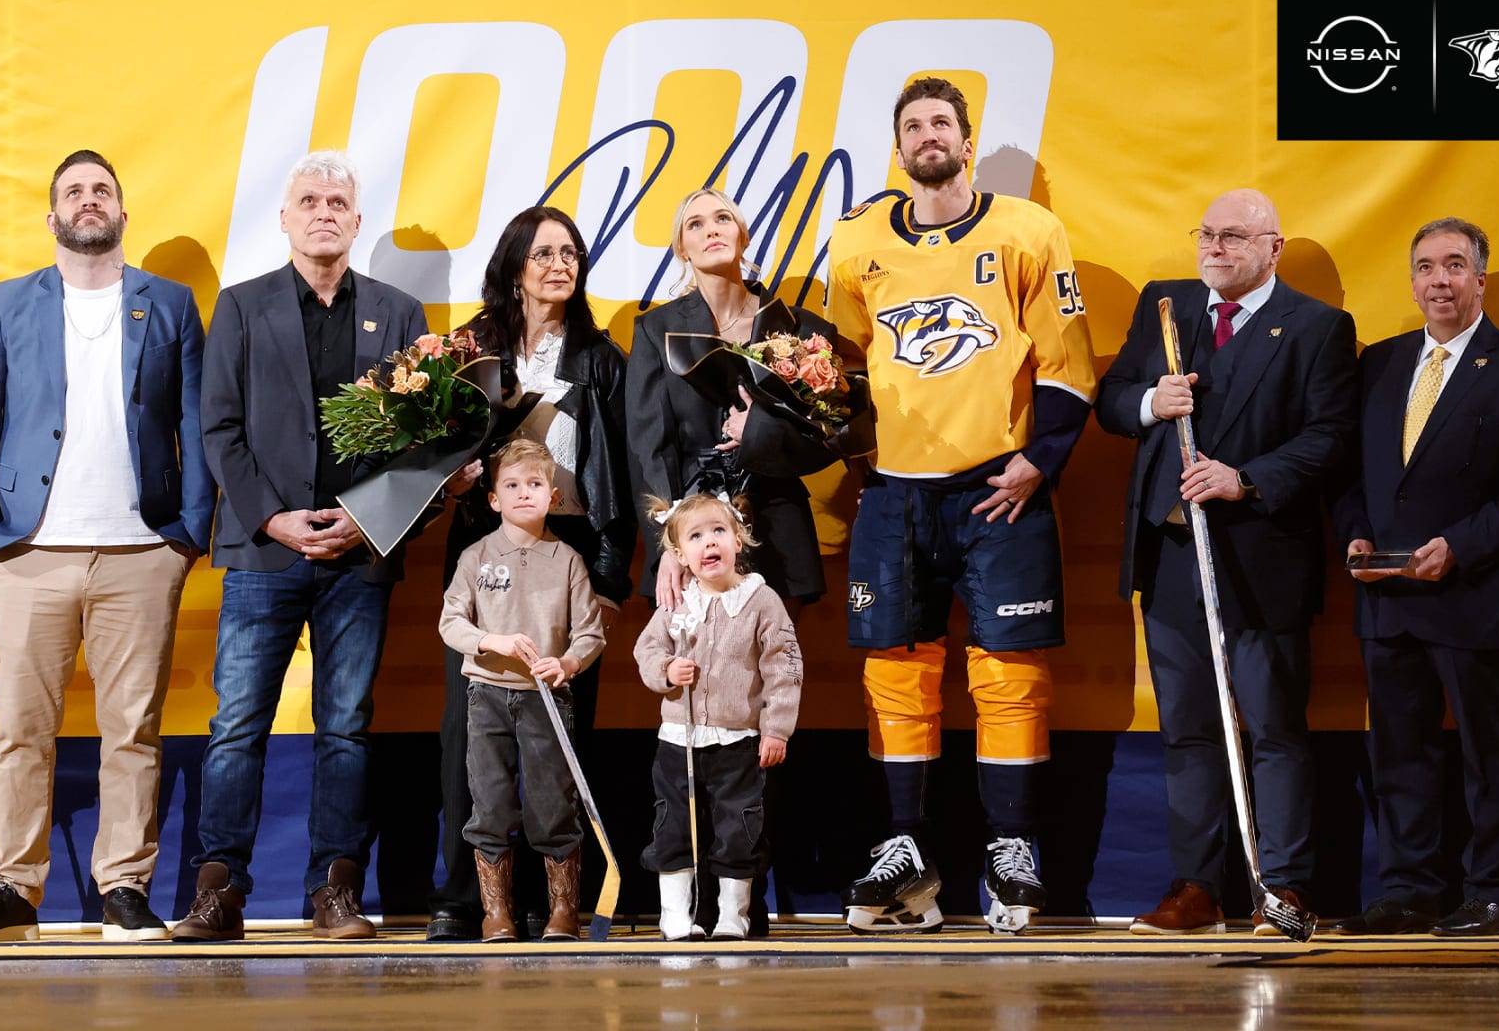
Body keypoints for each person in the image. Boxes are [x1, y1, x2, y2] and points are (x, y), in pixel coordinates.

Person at [823, 77, 1099, 935]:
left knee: (1009, 671)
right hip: (894, 492)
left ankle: (1011, 847)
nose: (927, 135)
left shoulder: (1028, 231)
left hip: (996, 489)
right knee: (894, 669)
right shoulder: (857, 239)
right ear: (898, 147)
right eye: (912, 125)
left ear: (966, 142)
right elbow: (837, 370)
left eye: (941, 122)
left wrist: (1038, 462)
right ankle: (906, 851)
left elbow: (1067, 361)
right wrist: (852, 452)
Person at [0, 149, 215, 943]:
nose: (88, 199)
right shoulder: (8, 303)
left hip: (141, 551)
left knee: (132, 731)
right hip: (28, 550)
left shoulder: (169, 304)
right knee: (21, 730)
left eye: (102, 189)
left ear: (123, 213)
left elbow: (196, 420)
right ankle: (14, 888)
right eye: (74, 191)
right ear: (53, 216)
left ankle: (124, 888)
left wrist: (187, 533)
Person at [175, 150, 429, 942]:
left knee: (345, 728)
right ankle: (220, 892)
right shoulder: (241, 307)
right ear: (285, 219)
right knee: (236, 727)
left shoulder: (399, 313)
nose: (324, 212)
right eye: (309, 201)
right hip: (263, 554)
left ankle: (335, 892)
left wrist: (367, 520)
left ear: (357, 222)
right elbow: (218, 428)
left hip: (358, 556)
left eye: (337, 203)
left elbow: (421, 441)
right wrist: (273, 518)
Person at [1096, 189, 1357, 934]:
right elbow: (1111, 400)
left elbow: (1329, 435)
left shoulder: (1318, 327)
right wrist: (1150, 402)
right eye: (1207, 234)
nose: (1214, 247)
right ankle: (1197, 888)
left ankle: (1284, 887)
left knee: (1272, 726)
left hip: (1261, 554)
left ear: (1274, 248)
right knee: (1187, 728)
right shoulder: (1167, 305)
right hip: (1173, 552)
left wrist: (1246, 479)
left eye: (1234, 236)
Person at [1332, 218, 1499, 937]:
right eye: (1427, 267)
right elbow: (1349, 473)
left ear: (1479, 280)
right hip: (1386, 595)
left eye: (1455, 265)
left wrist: (1459, 548)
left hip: (1469, 592)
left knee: (1487, 754)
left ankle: (1491, 893)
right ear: (1412, 282)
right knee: (1399, 752)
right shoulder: (1379, 363)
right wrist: (1355, 534)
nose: (1440, 280)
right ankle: (1410, 890)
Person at [424, 206, 636, 940]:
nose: (559, 264)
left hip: (571, 552)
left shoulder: (602, 358)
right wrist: (451, 480)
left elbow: (624, 480)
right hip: (484, 548)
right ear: (515, 266)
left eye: (570, 253)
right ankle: (467, 899)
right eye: (543, 253)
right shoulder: (468, 349)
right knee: (469, 738)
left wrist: (609, 580)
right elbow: (427, 457)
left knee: (561, 738)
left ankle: (558, 904)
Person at [627, 188, 847, 614]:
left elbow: (829, 436)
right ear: (682, 248)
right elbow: (647, 448)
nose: (711, 230)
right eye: (696, 224)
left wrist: (760, 431)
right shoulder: (655, 329)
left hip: (776, 526)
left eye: (722, 219)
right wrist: (668, 544)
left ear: (742, 236)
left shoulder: (801, 329)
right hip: (690, 531)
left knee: (775, 656)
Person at [439, 439, 606, 941]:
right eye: (511, 485)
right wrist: (492, 641)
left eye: (535, 484)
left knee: (553, 805)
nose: (523, 493)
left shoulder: (567, 559)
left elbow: (591, 633)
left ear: (553, 497)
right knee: (490, 804)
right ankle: (496, 912)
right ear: (494, 499)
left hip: (546, 699)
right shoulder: (475, 556)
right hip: (487, 695)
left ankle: (563, 910)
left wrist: (569, 662)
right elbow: (451, 622)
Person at [633, 493, 804, 940]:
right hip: (680, 741)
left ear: (738, 540)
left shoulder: (761, 601)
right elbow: (646, 649)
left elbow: (784, 668)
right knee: (674, 826)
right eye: (696, 536)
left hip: (738, 743)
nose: (709, 542)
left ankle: (733, 916)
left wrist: (776, 729)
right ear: (680, 555)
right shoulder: (677, 602)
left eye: (718, 532)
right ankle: (676, 915)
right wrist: (667, 670)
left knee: (738, 828)